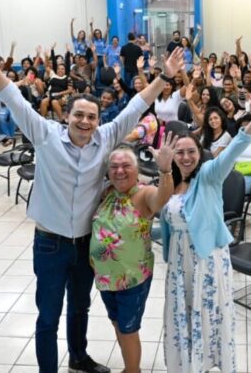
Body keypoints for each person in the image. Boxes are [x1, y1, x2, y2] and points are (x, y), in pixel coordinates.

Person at [0, 21, 186, 373]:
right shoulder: (46, 134)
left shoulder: (107, 137)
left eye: (92, 117)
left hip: (86, 243)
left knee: (80, 306)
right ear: (67, 116)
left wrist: (164, 77)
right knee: (48, 316)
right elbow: (11, 96)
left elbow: (136, 106)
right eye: (79, 115)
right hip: (50, 243)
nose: (85, 121)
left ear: (99, 120)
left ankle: (79, 358)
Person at [160, 89, 251, 373]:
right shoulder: (168, 182)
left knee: (207, 316)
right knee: (182, 317)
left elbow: (233, 150)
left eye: (191, 152)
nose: (185, 157)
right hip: (179, 265)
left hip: (207, 261)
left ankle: (208, 364)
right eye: (179, 152)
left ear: (200, 153)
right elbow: (164, 223)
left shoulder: (209, 175)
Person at [90, 134, 176, 373]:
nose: (120, 171)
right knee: (117, 323)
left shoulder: (143, 194)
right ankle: (130, 365)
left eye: (126, 166)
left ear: (137, 170)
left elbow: (161, 200)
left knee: (128, 329)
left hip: (132, 280)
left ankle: (133, 370)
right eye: (114, 166)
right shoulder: (107, 192)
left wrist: (165, 170)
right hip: (107, 279)